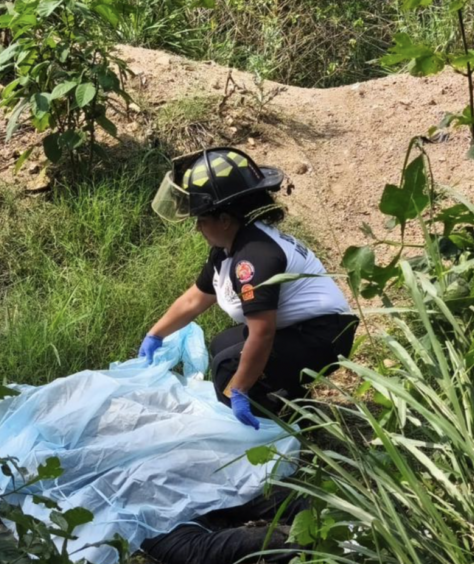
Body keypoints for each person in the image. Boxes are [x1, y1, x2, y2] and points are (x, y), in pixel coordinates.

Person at [140, 147, 358, 428]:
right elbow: (195, 299)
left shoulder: (254, 257)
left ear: (224, 220)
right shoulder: (231, 247)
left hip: (325, 335)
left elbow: (262, 332)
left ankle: (281, 428)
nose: (197, 229)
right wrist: (155, 335)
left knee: (228, 370)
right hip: (301, 329)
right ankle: (292, 399)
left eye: (202, 220)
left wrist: (240, 390)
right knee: (222, 346)